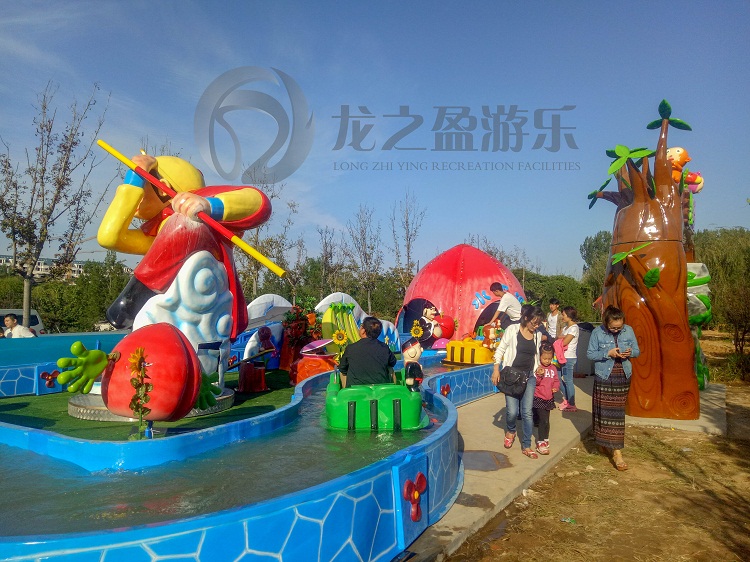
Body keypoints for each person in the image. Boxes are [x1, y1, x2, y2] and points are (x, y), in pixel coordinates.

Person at [97, 154, 271, 338]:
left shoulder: (198, 202)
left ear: (162, 188)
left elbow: (260, 203)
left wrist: (210, 205)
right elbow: (110, 237)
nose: (137, 191)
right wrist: (134, 177)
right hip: (170, 309)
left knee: (187, 223)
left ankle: (135, 298)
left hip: (208, 288)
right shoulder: (159, 229)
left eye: (142, 184)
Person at [587, 305, 640, 471]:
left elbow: (637, 351)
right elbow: (590, 354)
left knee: (617, 414)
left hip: (622, 376)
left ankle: (617, 452)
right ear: (606, 322)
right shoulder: (597, 333)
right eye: (613, 328)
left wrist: (630, 352)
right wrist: (607, 354)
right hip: (604, 376)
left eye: (619, 327)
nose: (617, 330)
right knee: (603, 412)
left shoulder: (628, 330)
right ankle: (604, 443)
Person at [491, 305, 544, 459]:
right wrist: (496, 369)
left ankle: (526, 445)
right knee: (512, 411)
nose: (536, 326)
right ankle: (511, 430)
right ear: (526, 318)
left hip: (529, 377)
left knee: (527, 412)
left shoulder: (537, 335)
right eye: (534, 322)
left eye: (538, 323)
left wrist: (538, 368)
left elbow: (536, 356)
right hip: (512, 376)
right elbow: (500, 349)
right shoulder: (512, 330)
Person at [339, 317, 397, 388]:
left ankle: (346, 392)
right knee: (390, 368)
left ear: (363, 331)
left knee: (343, 373)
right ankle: (392, 389)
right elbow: (393, 363)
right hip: (380, 389)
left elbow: (342, 368)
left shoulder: (351, 348)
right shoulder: (384, 347)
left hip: (356, 390)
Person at [533, 341, 561, 455]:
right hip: (539, 397)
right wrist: (539, 375)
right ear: (540, 357)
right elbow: (535, 382)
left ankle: (545, 438)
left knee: (546, 421)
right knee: (543, 420)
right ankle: (540, 442)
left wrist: (555, 387)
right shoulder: (538, 368)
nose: (547, 361)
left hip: (549, 398)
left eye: (549, 359)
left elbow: (556, 381)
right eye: (544, 358)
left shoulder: (553, 368)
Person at [558, 306, 579, 412]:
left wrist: (561, 338)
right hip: (561, 356)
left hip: (569, 358)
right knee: (557, 377)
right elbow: (560, 336)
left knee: (568, 380)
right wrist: (562, 337)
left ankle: (571, 403)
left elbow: (565, 341)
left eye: (564, 315)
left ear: (569, 316)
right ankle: (567, 398)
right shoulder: (566, 327)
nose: (562, 316)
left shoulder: (574, 328)